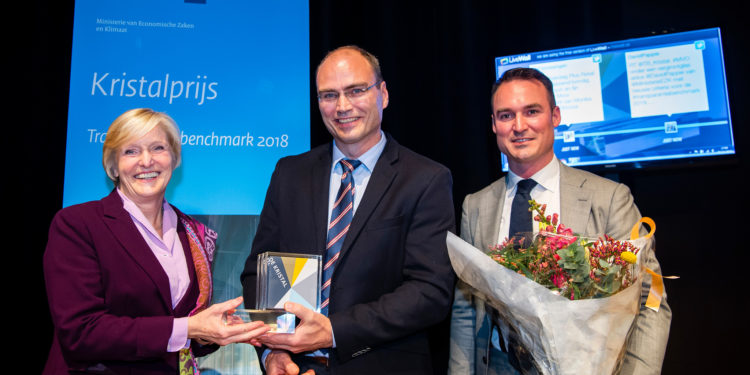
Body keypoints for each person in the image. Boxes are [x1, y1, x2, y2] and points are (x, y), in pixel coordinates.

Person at [240, 45, 456, 375]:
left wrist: (334, 330)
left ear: (382, 94)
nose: (342, 106)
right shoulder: (290, 174)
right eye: (329, 95)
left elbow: (430, 292)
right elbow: (261, 272)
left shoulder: (426, 179)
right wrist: (274, 350)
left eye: (355, 91)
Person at [448, 68, 672, 375]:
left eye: (532, 111)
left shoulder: (608, 199)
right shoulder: (475, 206)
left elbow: (652, 298)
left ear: (555, 116)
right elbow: (466, 307)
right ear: (493, 125)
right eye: (505, 115)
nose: (519, 126)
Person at [43, 108, 270, 374]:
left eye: (158, 148)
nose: (146, 161)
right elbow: (81, 332)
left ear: (174, 159)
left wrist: (210, 333)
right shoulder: (78, 224)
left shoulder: (193, 232)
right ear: (113, 165)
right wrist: (190, 327)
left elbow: (179, 336)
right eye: (131, 151)